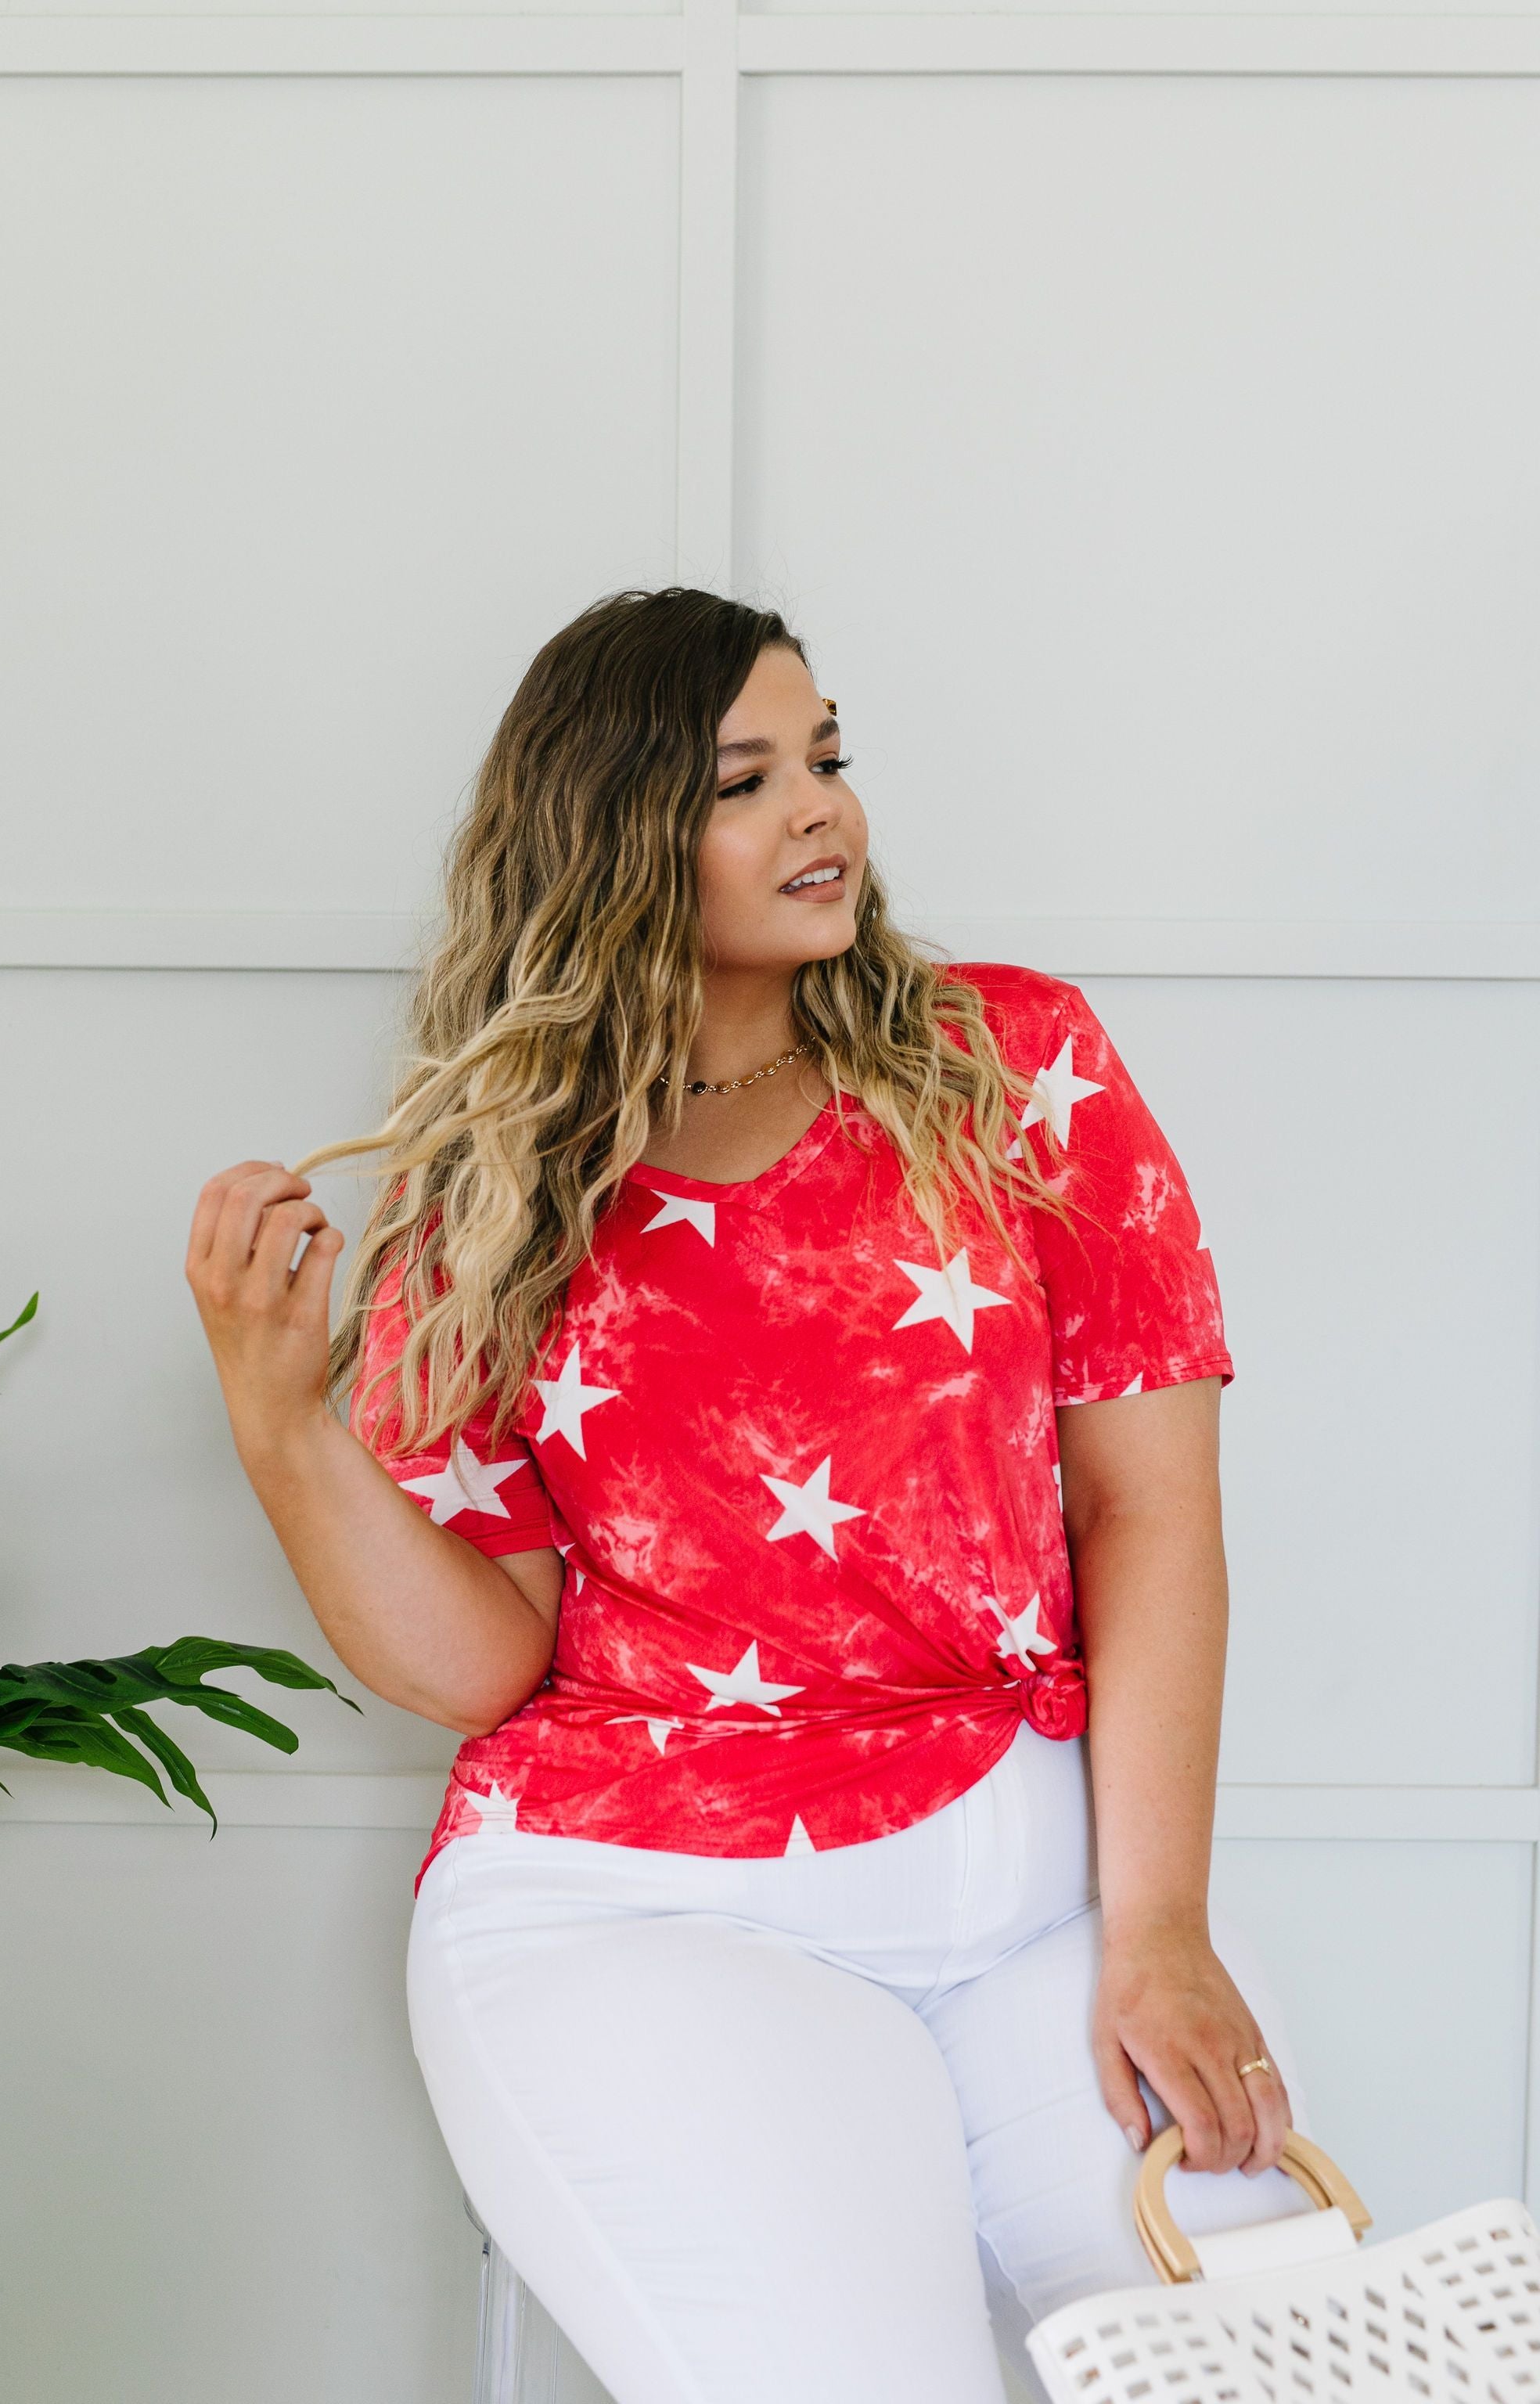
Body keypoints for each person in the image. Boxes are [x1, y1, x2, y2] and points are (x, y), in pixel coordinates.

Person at [185, 585, 1317, 2404]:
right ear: (615, 837)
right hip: (648, 1914)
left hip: (1047, 1893)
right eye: (747, 779)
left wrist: (1159, 1930)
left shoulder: (1012, 1064)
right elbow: (487, 1663)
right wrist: (280, 1424)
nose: (823, 812)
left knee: (1299, 2368)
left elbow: (1150, 1513)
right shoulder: (500, 1191)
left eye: (830, 757)